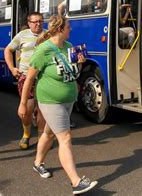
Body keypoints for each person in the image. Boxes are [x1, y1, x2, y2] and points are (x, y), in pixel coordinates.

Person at [18, 15, 98, 194]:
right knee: (65, 138)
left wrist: (79, 63)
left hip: (68, 100)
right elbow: (29, 78)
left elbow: (72, 73)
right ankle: (76, 182)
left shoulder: (69, 47)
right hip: (50, 100)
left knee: (48, 133)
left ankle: (38, 163)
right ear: (60, 29)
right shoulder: (44, 50)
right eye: (68, 27)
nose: (71, 30)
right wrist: (23, 103)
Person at [4, 12, 47, 150]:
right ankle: (26, 134)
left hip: (43, 77)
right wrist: (12, 68)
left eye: (40, 21)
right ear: (29, 23)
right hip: (25, 76)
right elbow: (8, 50)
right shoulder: (22, 35)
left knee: (42, 110)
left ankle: (41, 138)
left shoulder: (48, 35)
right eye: (34, 22)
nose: (38, 24)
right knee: (27, 110)